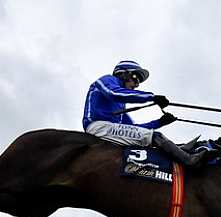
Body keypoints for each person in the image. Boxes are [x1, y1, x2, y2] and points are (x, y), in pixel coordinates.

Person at [82, 60, 210, 166]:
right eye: (136, 79)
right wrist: (151, 97)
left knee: (149, 137)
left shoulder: (120, 107)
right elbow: (114, 93)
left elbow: (135, 129)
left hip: (109, 130)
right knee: (155, 136)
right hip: (98, 127)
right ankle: (189, 160)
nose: (137, 85)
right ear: (124, 74)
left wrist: (160, 122)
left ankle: (179, 152)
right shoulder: (107, 80)